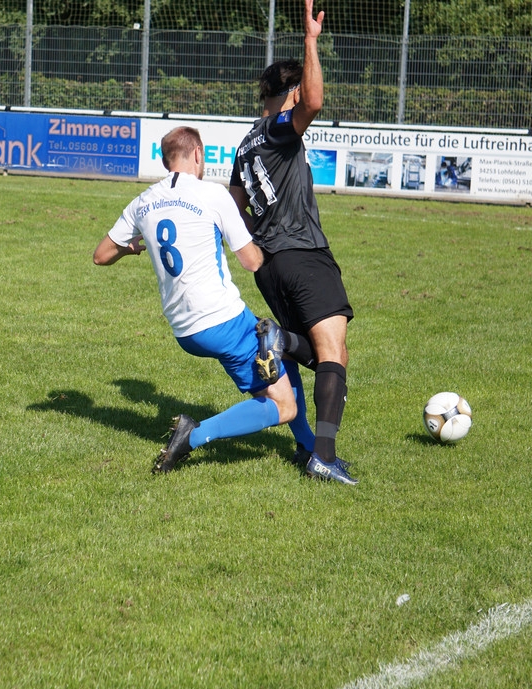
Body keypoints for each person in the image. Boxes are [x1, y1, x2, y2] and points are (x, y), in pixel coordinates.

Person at [93, 126, 298, 474]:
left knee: (278, 355)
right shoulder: (212, 194)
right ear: (199, 154)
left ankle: (308, 447)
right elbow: (251, 261)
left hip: (185, 331)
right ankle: (194, 435)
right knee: (284, 404)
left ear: (165, 161)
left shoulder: (143, 202)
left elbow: (100, 256)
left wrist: (129, 250)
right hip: (222, 320)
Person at [228, 0, 357, 485]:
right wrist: (310, 42)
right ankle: (322, 457)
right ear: (291, 91)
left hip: (272, 267)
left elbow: (235, 206)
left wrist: (259, 250)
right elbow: (314, 105)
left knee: (329, 357)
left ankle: (283, 343)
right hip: (302, 255)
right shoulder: (278, 130)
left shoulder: (245, 143)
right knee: (332, 350)